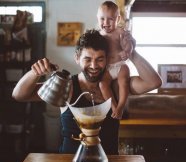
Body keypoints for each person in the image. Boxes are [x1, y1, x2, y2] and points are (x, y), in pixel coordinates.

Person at [12, 29, 162, 155]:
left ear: (107, 59)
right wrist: (34, 72)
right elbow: (19, 95)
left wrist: (130, 51)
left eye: (100, 59)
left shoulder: (116, 86)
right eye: (88, 59)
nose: (94, 65)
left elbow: (153, 82)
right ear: (77, 58)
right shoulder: (67, 86)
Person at [97, 1, 135, 119]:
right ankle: (113, 106)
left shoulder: (120, 32)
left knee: (124, 83)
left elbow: (131, 43)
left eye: (110, 19)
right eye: (102, 19)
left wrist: (127, 51)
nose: (106, 23)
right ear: (97, 18)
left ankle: (121, 106)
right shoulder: (99, 35)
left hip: (120, 65)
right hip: (107, 68)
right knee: (102, 84)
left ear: (118, 19)